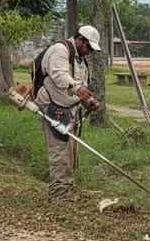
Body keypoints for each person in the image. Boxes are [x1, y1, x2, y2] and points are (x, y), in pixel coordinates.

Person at [34, 25, 103, 198]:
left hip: (70, 109)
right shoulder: (59, 50)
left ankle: (67, 188)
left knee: (71, 150)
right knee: (60, 149)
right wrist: (77, 88)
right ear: (79, 40)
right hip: (53, 105)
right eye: (89, 47)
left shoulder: (81, 60)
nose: (90, 52)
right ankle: (59, 192)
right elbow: (59, 75)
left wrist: (89, 101)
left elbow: (81, 87)